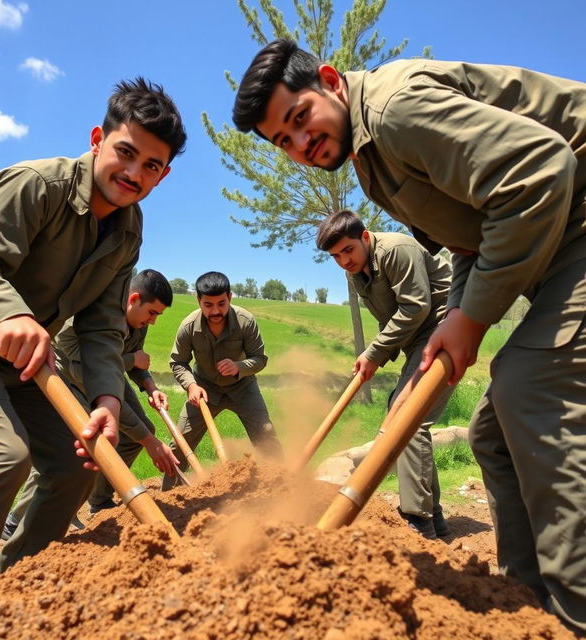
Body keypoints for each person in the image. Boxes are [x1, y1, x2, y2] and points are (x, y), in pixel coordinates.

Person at [232, 40, 586, 634]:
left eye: (299, 120)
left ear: (328, 82)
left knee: (529, 386)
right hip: (557, 239)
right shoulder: (371, 165)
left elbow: (541, 169)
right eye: (283, 143)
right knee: (492, 434)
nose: (300, 145)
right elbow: (472, 241)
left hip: (574, 216)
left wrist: (468, 319)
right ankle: (530, 611)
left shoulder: (394, 111)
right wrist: (460, 316)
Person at [0, 77, 186, 586]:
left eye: (151, 166)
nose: (133, 172)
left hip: (24, 362)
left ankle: (11, 587)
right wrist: (8, 312)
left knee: (80, 465)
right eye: (125, 152)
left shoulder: (128, 230)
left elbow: (101, 324)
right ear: (98, 139)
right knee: (6, 456)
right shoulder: (36, 184)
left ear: (162, 177)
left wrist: (107, 400)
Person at [1, 269, 180, 540]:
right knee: (70, 448)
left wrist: (150, 387)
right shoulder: (87, 318)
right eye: (152, 313)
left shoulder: (137, 323)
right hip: (67, 377)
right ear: (133, 299)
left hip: (105, 374)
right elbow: (90, 371)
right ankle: (15, 521)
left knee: (139, 433)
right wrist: (148, 441)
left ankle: (99, 499)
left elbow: (134, 359)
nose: (153, 321)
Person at [316, 210, 453, 539]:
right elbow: (388, 316)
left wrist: (375, 352)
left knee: (408, 416)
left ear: (365, 237)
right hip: (419, 337)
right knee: (403, 409)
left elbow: (415, 306)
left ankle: (418, 519)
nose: (343, 261)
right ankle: (433, 513)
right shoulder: (357, 274)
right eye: (336, 256)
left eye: (348, 250)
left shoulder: (395, 250)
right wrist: (376, 358)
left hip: (445, 326)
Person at [162, 271, 282, 490]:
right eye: (208, 305)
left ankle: (282, 487)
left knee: (267, 434)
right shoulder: (188, 326)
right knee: (180, 442)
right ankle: (167, 494)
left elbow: (260, 359)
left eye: (221, 303)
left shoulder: (246, 321)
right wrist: (191, 385)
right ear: (198, 300)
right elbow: (178, 363)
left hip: (243, 388)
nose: (215, 311)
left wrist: (239, 367)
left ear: (230, 297)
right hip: (203, 390)